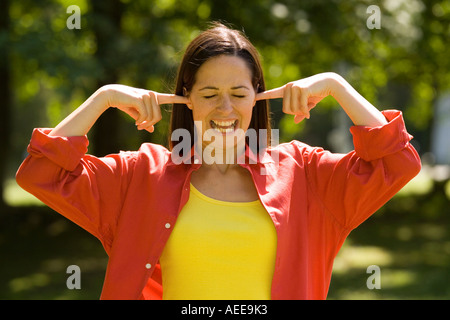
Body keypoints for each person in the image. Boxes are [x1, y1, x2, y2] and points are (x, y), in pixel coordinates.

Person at [16, 22, 421, 300]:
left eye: (239, 93)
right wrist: (103, 97)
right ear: (186, 98)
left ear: (259, 96)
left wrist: (336, 84)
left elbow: (396, 162)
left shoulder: (304, 173)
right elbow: (43, 172)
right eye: (209, 94)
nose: (224, 108)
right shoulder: (142, 174)